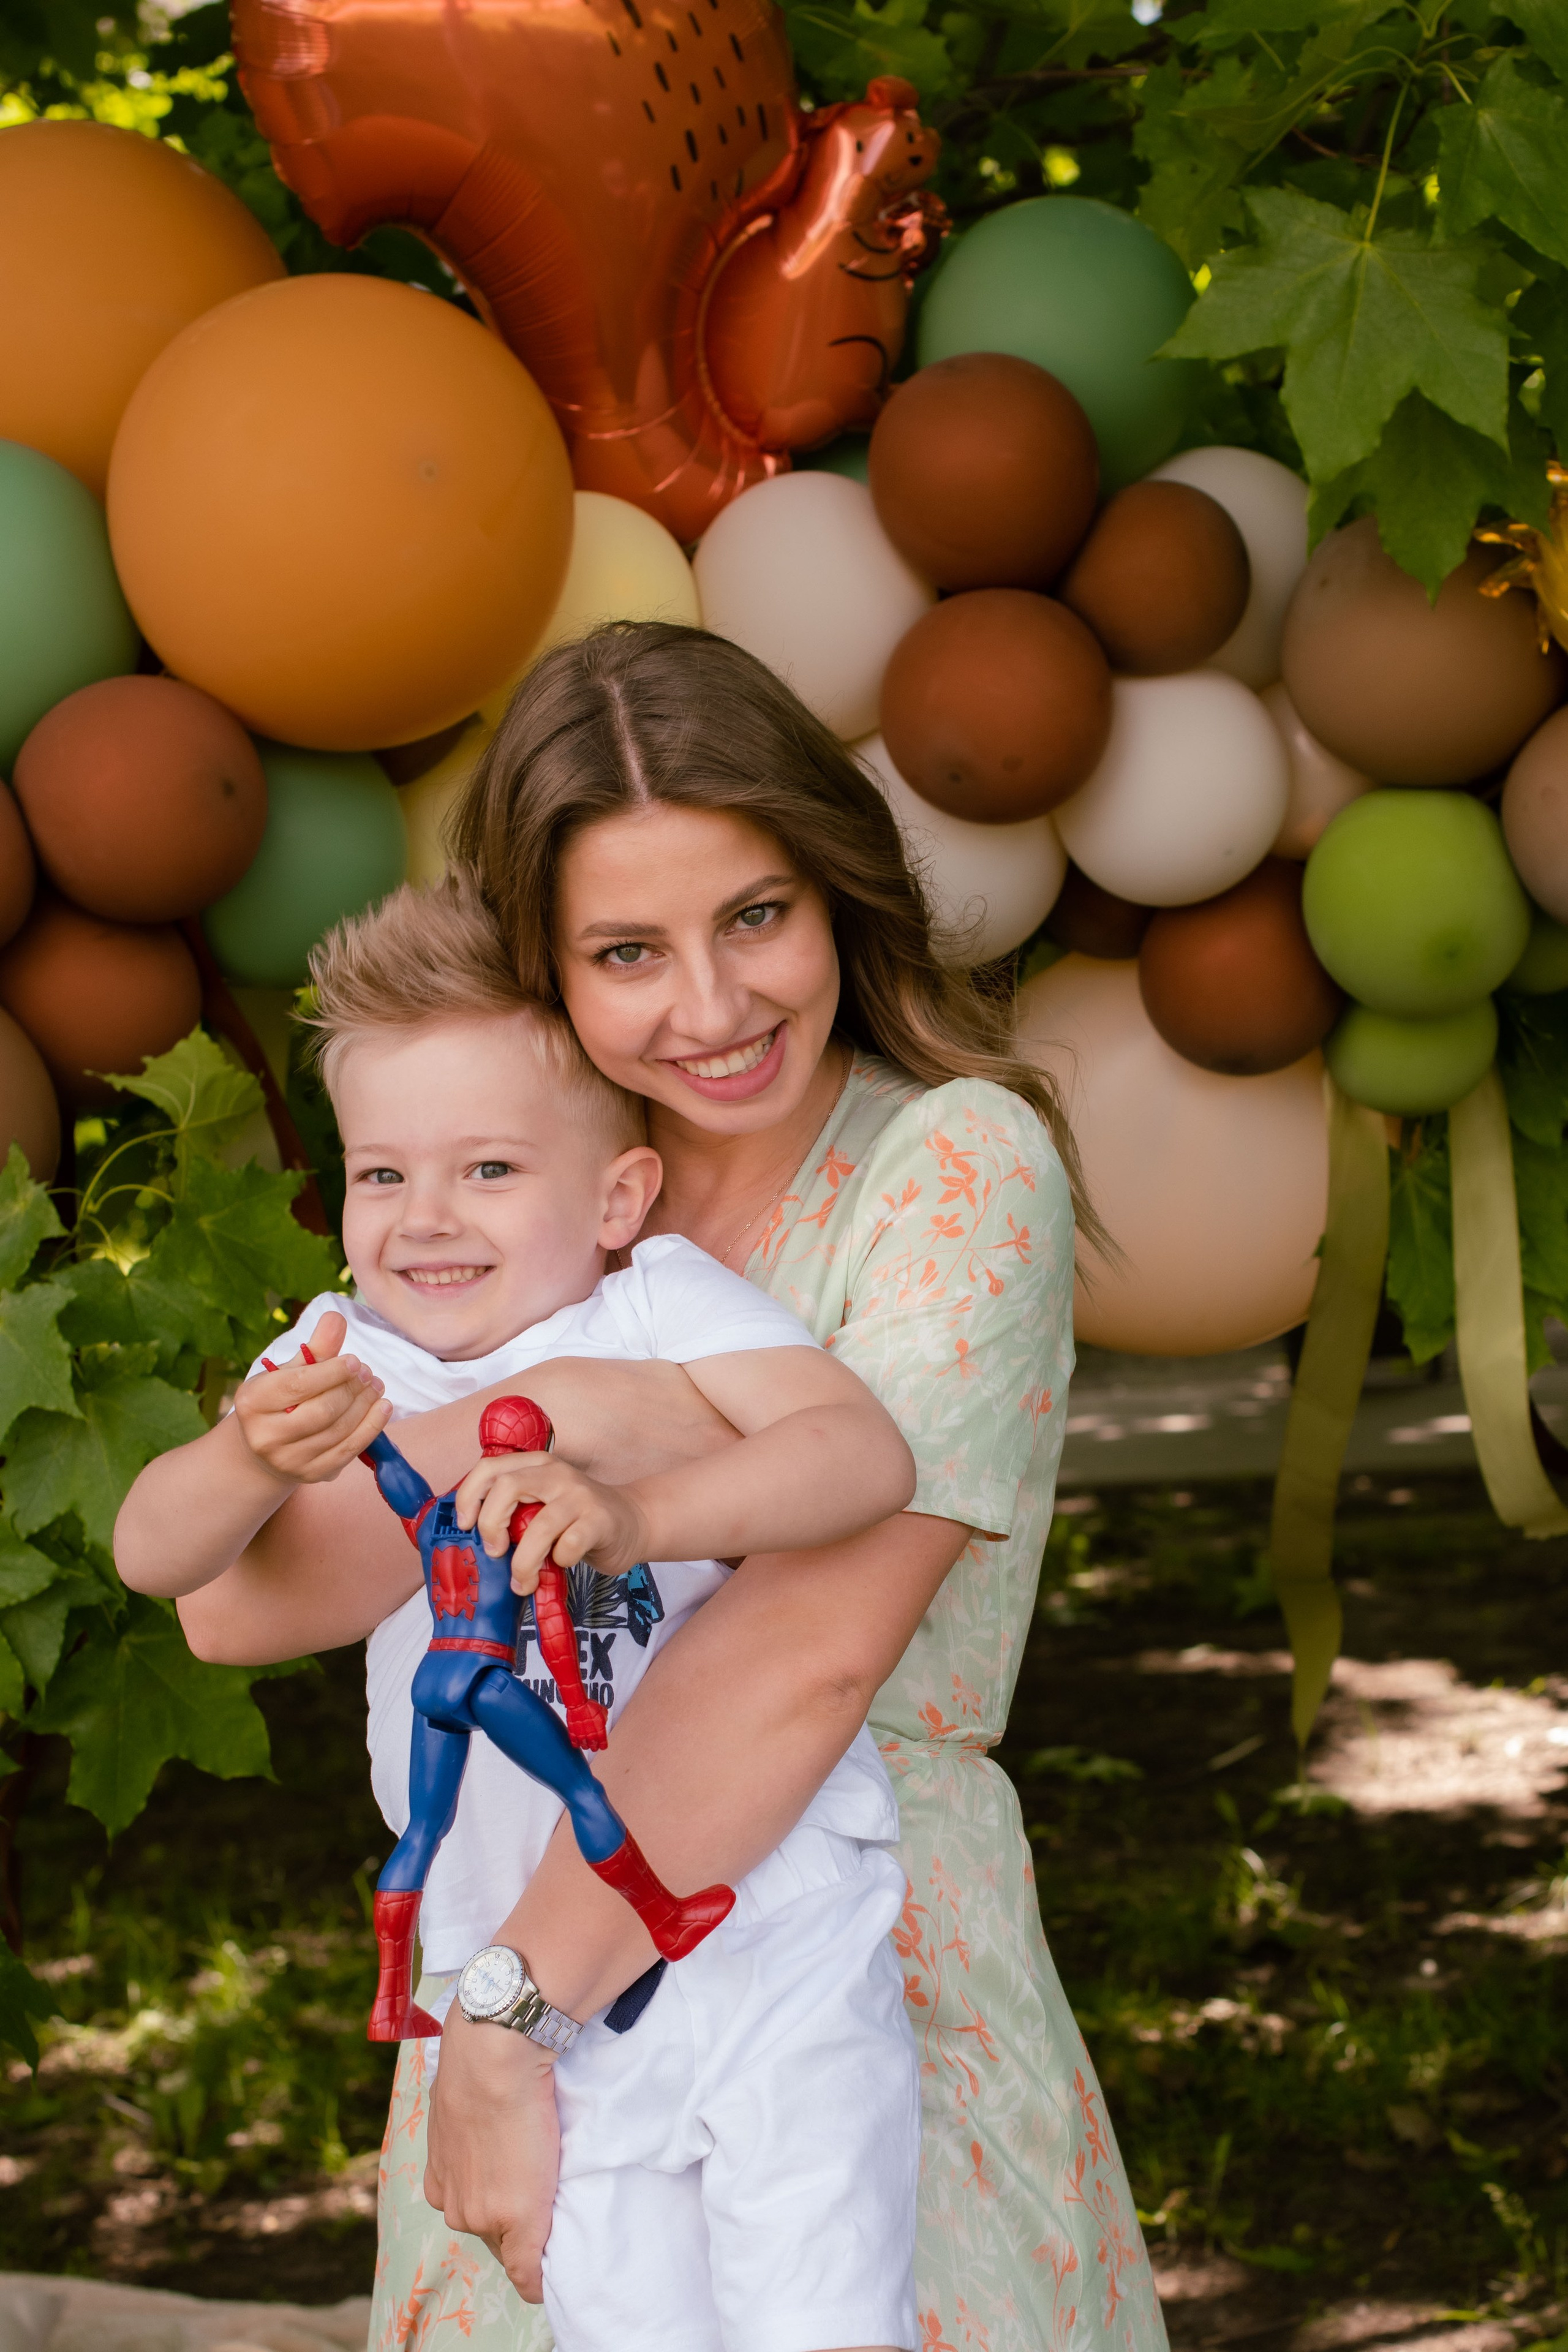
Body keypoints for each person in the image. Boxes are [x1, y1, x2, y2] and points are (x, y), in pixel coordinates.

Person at [169, 621, 1169, 2352]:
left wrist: (504, 2016)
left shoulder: (947, 1167)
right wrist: (454, 1418)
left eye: (757, 916)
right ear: (545, 971)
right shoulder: (501, 1213)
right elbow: (242, 1602)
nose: (710, 1008)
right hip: (526, 1955)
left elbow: (808, 1658)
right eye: (628, 951)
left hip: (815, 1966)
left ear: (838, 887)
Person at [116, 873, 925, 2352]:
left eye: (489, 1171)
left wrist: (641, 1513)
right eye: (380, 1176)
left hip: (763, 1933)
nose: (424, 1219)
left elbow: (858, 1455)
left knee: (823, 2321)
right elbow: (162, 1564)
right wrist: (244, 1455)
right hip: (536, 1989)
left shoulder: (652, 1307)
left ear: (614, 1195)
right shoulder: (339, 1356)